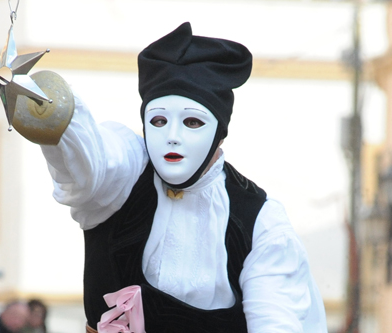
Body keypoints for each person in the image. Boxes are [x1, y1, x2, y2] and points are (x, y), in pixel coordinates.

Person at [40, 22, 327, 332]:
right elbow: (90, 162)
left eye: (192, 122)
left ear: (219, 131)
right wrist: (51, 112)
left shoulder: (259, 220)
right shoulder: (127, 172)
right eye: (160, 120)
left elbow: (275, 319)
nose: (172, 137)